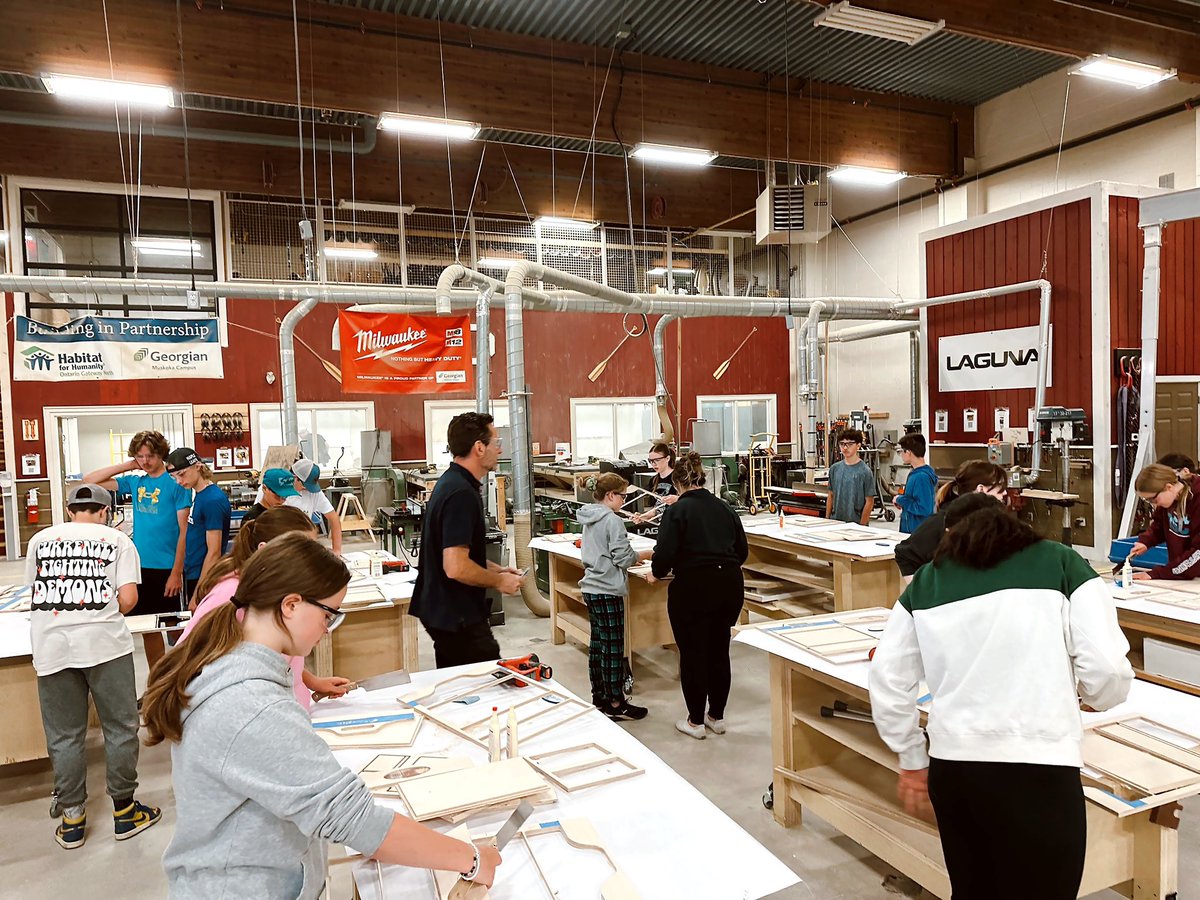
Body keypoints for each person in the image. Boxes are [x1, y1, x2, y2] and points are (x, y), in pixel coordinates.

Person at [142, 533, 501, 897]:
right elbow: (352, 819)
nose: (326, 632)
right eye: (327, 616)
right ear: (291, 605)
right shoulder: (251, 703)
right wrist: (470, 858)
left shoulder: (236, 662)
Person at [869, 497, 1132, 900]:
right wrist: (1097, 696)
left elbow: (888, 679)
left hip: (955, 768)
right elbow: (1108, 669)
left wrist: (910, 756)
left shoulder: (926, 582)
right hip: (1038, 768)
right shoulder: (1061, 563)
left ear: (949, 535)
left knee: (974, 889)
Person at [26, 483, 161, 850]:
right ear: (105, 511)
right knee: (119, 727)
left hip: (51, 648)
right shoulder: (118, 541)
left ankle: (72, 819)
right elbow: (129, 599)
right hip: (105, 646)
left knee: (65, 735)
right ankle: (125, 811)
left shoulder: (40, 540)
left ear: (70, 510)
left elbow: (34, 591)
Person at [180, 506, 353, 709]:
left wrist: (310, 681)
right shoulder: (231, 594)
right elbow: (188, 659)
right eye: (299, 553)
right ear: (266, 551)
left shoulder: (281, 592)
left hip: (289, 708)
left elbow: (279, 655)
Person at [647, 451, 748, 740]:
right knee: (719, 649)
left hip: (694, 587)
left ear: (678, 484)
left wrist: (655, 572)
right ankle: (717, 716)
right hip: (729, 584)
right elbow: (741, 551)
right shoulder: (725, 507)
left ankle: (695, 721)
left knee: (693, 653)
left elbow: (664, 553)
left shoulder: (678, 510)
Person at [411, 413, 524, 668]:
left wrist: (497, 568)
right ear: (479, 447)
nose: (500, 447)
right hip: (455, 614)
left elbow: (455, 553)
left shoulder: (452, 482)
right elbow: (456, 566)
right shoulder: (461, 493)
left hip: (442, 611)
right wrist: (499, 581)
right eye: (496, 441)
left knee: (458, 686)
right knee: (484, 683)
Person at [83, 430, 192, 671]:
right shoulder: (135, 481)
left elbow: (184, 531)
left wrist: (177, 571)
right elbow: (89, 480)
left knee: (175, 629)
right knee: (148, 629)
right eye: (140, 456)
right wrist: (128, 465)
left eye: (150, 456)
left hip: (166, 566)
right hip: (140, 567)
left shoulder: (176, 482)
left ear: (161, 454)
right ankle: (157, 682)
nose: (145, 461)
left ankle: (182, 678)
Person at [578, 473, 654, 721]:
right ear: (610, 496)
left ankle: (599, 696)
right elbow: (622, 558)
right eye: (622, 496)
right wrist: (645, 554)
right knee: (613, 648)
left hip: (592, 587)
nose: (624, 501)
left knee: (599, 645)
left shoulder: (590, 516)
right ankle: (615, 702)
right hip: (607, 588)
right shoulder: (612, 521)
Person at [893, 460, 1008, 582]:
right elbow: (906, 554)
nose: (1005, 492)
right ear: (981, 489)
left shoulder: (993, 523)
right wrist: (923, 593)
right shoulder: (942, 521)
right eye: (1000, 487)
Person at [165, 447, 232, 606]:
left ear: (198, 466)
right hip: (195, 573)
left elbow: (214, 552)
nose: (179, 481)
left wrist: (199, 594)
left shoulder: (212, 500)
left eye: (181, 474)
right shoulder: (200, 495)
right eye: (174, 477)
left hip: (205, 577)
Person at [1128, 463, 1200, 580]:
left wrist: (1158, 573)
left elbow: (1198, 553)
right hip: (1187, 573)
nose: (1153, 504)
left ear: (1169, 487)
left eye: (1154, 499)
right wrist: (1146, 542)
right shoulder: (1169, 501)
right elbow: (1160, 525)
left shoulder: (1197, 499)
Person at [288, 459, 343, 554]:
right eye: (305, 486)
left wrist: (337, 550)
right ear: (295, 478)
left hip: (304, 546)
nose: (307, 489)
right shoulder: (278, 491)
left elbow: (334, 518)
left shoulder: (314, 493)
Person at [826, 429, 875, 525]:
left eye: (849, 444)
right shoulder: (834, 469)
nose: (845, 448)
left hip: (855, 523)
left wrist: (862, 525)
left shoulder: (865, 472)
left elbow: (869, 501)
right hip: (835, 521)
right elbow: (830, 495)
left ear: (858, 445)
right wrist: (827, 519)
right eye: (842, 444)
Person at [891, 433, 938, 534]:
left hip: (917, 533)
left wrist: (900, 499)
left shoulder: (921, 477)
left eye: (901, 452)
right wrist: (903, 503)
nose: (901, 455)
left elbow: (924, 508)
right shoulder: (917, 473)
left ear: (908, 452)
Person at [633, 442, 679, 530]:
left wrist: (677, 499)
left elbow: (692, 500)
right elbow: (657, 508)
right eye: (651, 461)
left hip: (678, 525)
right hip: (663, 525)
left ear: (667, 458)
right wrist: (643, 517)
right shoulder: (653, 480)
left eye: (657, 460)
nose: (653, 464)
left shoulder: (678, 478)